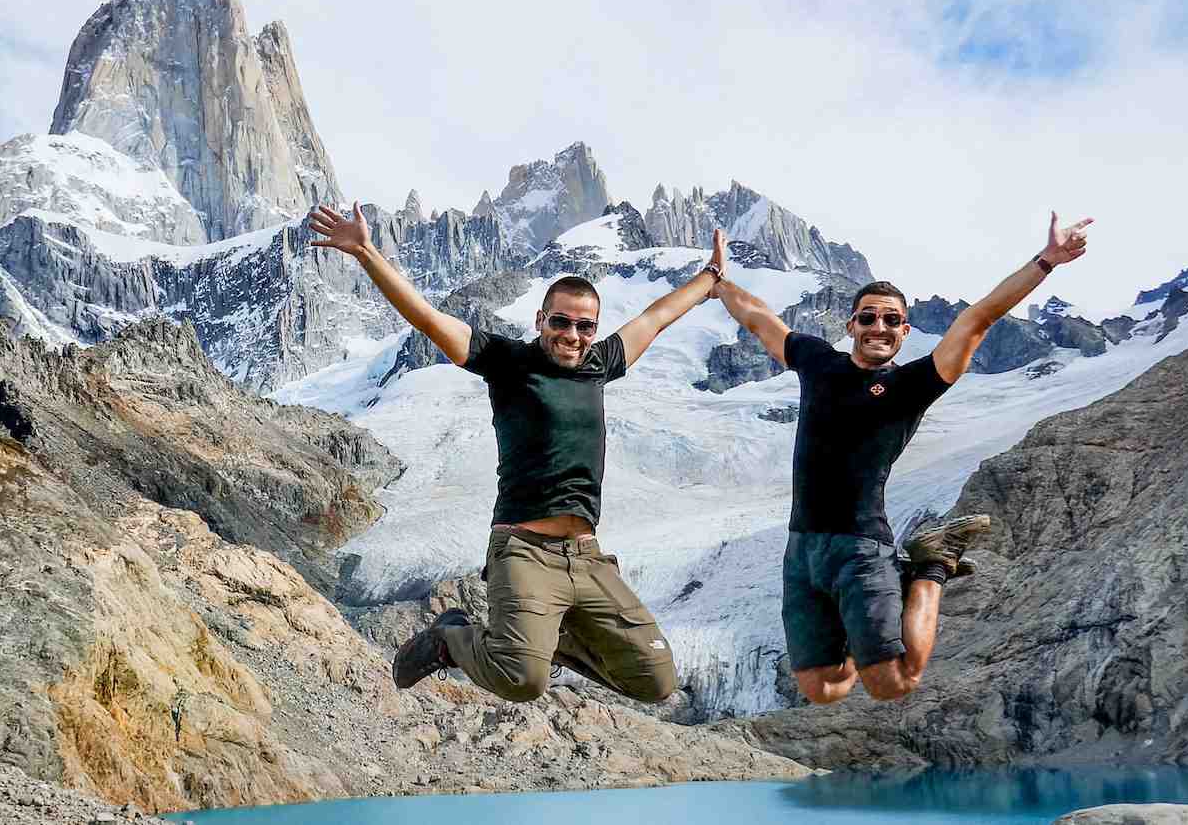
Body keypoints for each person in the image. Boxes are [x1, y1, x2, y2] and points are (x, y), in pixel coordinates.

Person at [307, 201, 727, 702]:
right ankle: (450, 639)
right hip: (524, 551)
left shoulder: (601, 362)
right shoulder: (507, 363)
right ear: (540, 320)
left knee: (656, 681)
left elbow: (657, 317)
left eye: (584, 326)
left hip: (587, 559)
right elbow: (427, 317)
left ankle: (547, 637)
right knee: (523, 681)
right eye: (561, 322)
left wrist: (711, 276)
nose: (572, 334)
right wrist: (366, 251)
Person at [712, 212, 1092, 702]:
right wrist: (720, 284)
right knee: (824, 689)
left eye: (891, 319)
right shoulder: (817, 361)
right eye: (868, 316)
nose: (879, 326)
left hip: (860, 546)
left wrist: (1046, 262)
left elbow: (979, 318)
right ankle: (868, 619)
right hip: (801, 549)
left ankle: (931, 567)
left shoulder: (911, 384)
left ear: (905, 331)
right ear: (851, 324)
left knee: (894, 682)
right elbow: (759, 318)